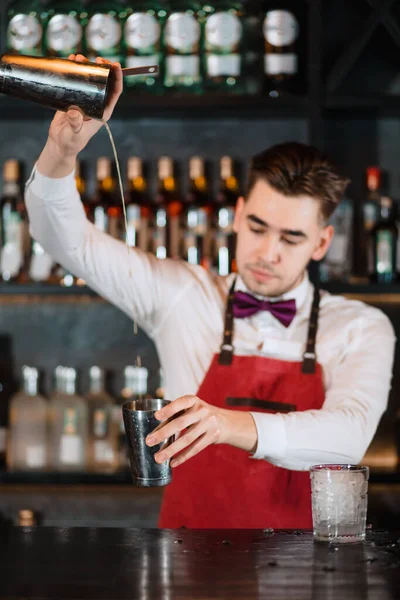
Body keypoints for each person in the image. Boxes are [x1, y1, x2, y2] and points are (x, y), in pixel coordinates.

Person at [25, 55, 395, 529]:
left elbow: (349, 437)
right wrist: (61, 150)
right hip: (188, 567)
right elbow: (65, 241)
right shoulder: (183, 295)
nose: (268, 252)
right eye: (258, 227)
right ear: (238, 214)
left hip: (307, 575)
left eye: (292, 238)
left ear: (322, 242)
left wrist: (224, 424)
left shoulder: (361, 327)